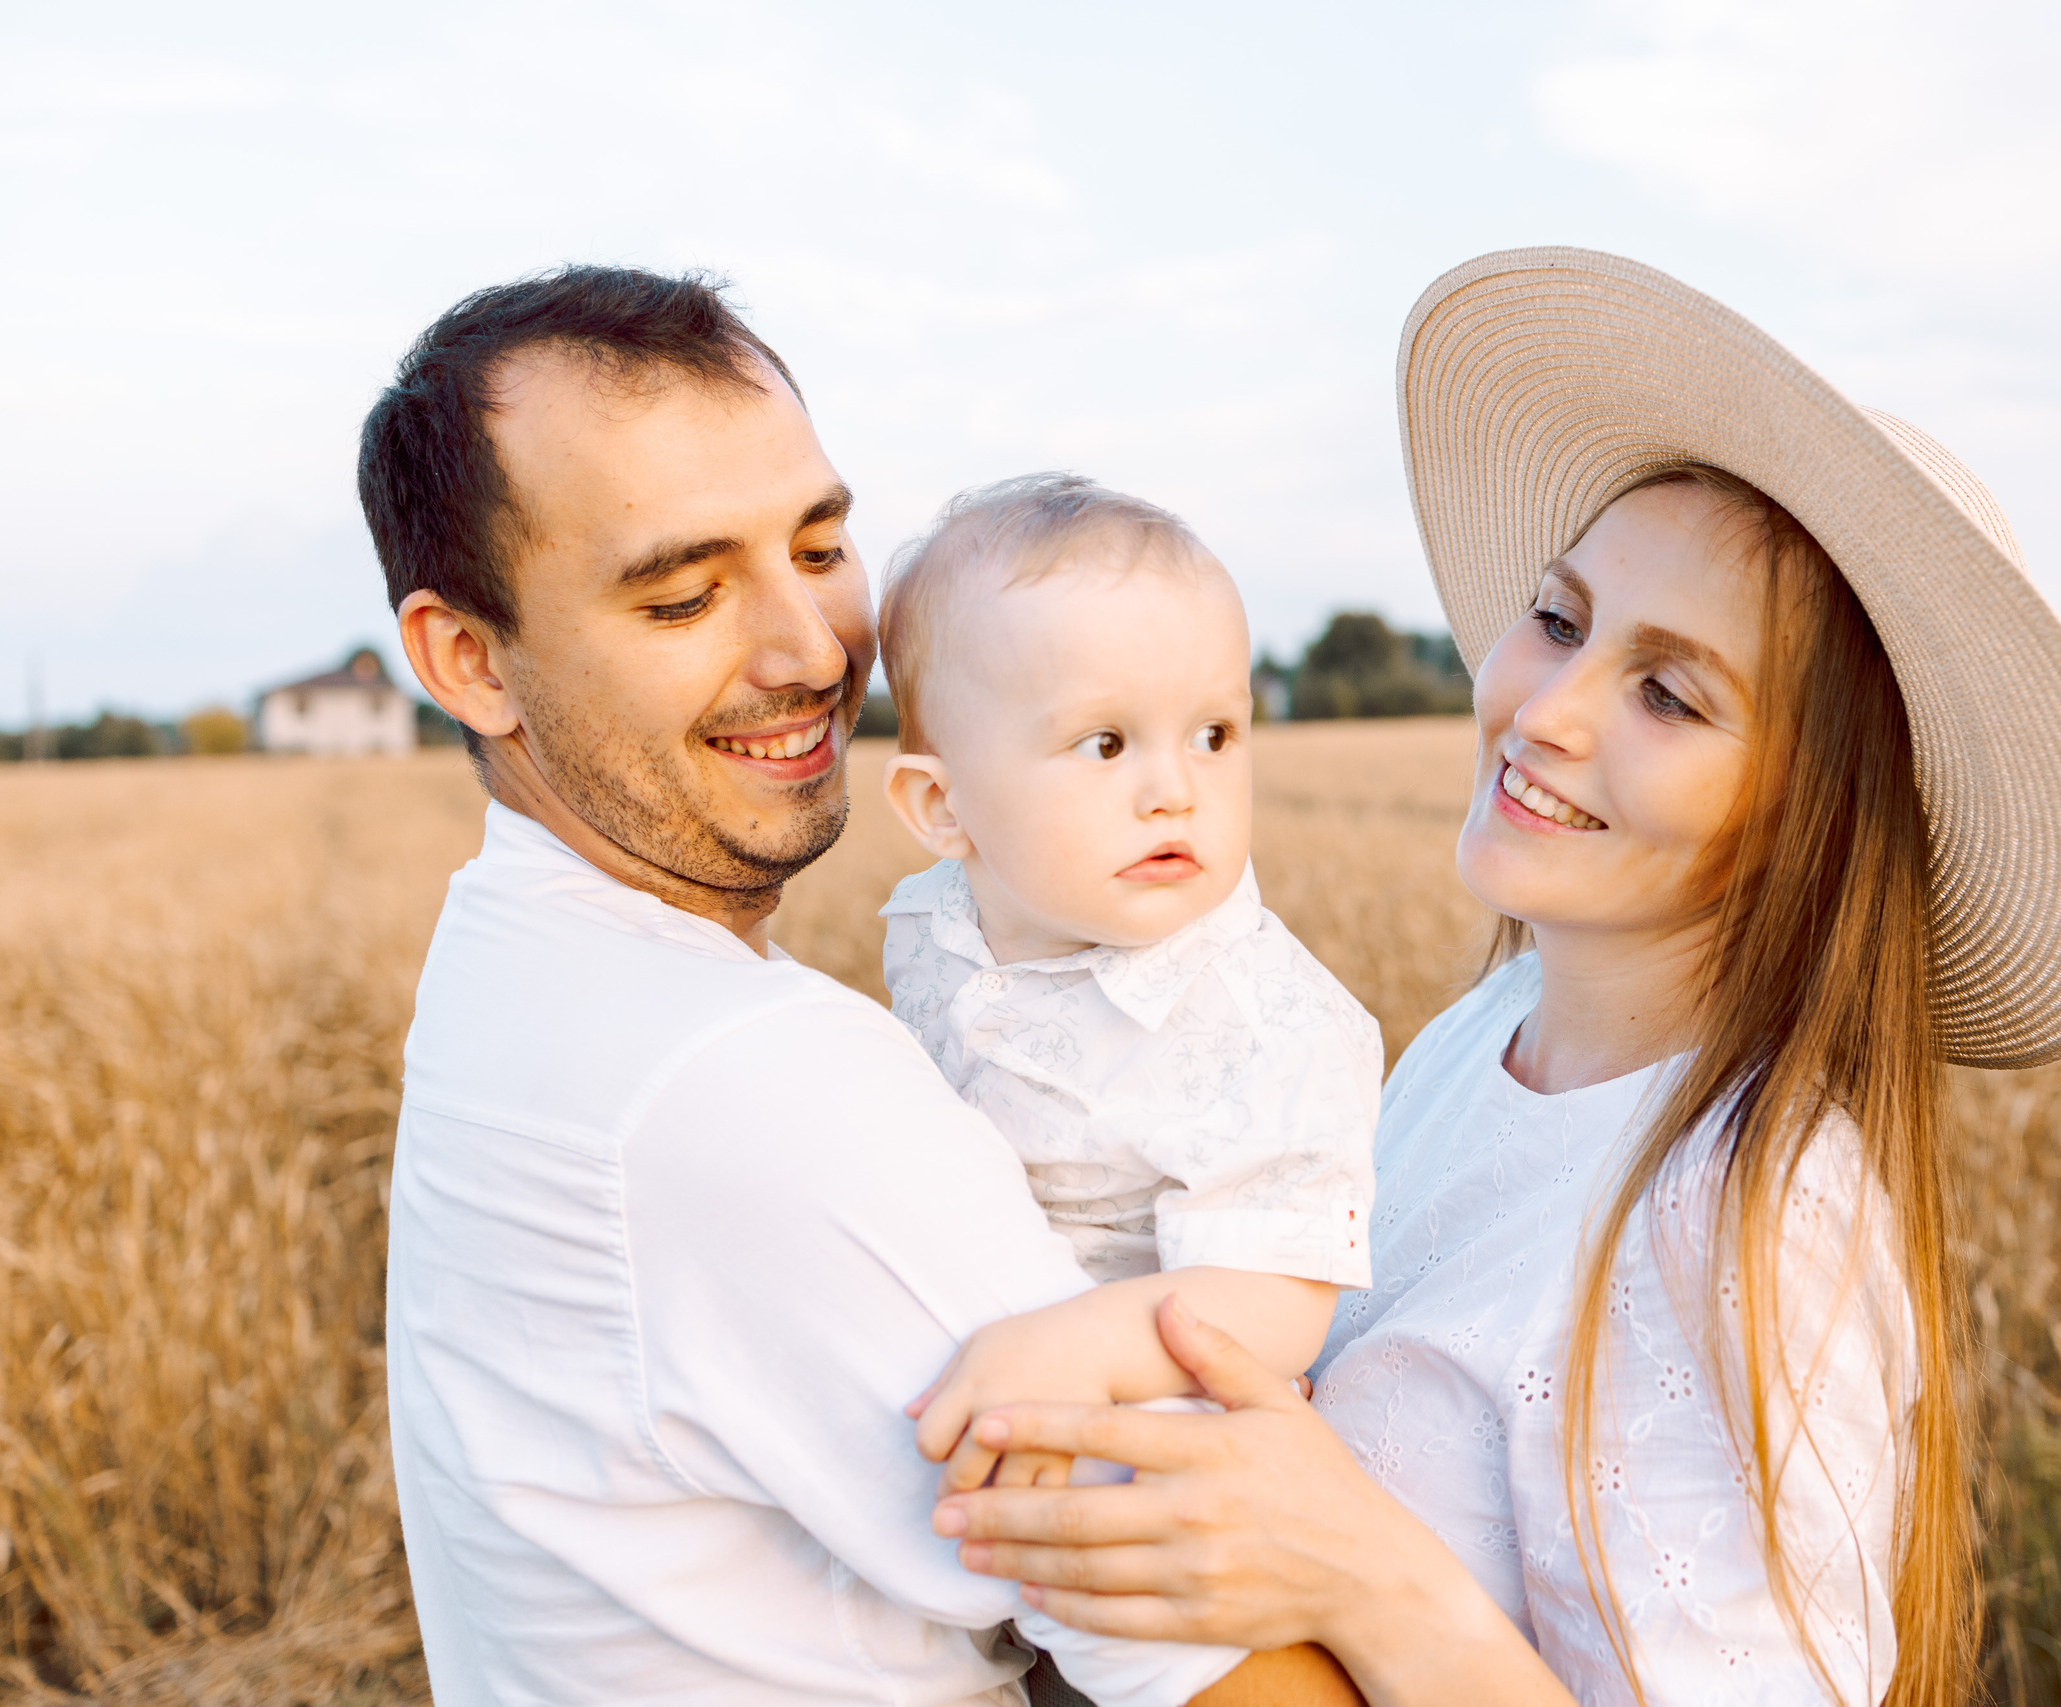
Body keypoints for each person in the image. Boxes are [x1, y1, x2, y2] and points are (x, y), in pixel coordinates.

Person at [925, 247, 2061, 1706]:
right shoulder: (1478, 1037)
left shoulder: (1758, 1219)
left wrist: (1360, 1569)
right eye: (1563, 618)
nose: (1546, 709)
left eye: (1668, 691)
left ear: (1810, 814)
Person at [364, 265, 1353, 1705]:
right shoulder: (745, 1077)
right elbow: (1243, 1672)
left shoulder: (505, 963)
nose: (814, 647)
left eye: (820, 545)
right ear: (470, 658)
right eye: (686, 592)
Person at [871, 472, 1380, 1493]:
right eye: (1104, 743)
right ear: (941, 807)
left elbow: (1280, 1297)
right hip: (945, 1356)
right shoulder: (932, 925)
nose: (1174, 790)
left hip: (1148, 1412)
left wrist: (1079, 1346)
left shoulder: (1269, 1021)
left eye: (1214, 735)